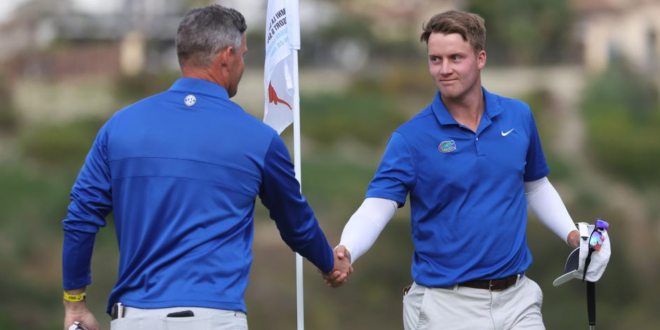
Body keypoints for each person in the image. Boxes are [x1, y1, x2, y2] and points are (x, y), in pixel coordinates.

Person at [62, 5, 350, 330]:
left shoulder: (119, 127)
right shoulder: (260, 139)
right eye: (243, 54)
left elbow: (81, 217)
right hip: (216, 319)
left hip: (136, 319)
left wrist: (75, 303)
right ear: (227, 56)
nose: (242, 63)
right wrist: (329, 263)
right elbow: (295, 223)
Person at [322, 10, 610, 329]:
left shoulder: (519, 117)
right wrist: (347, 248)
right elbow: (378, 206)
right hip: (447, 306)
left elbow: (536, 186)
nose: (444, 69)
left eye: (455, 58)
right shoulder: (410, 138)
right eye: (435, 60)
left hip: (518, 301)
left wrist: (574, 236)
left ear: (480, 58)